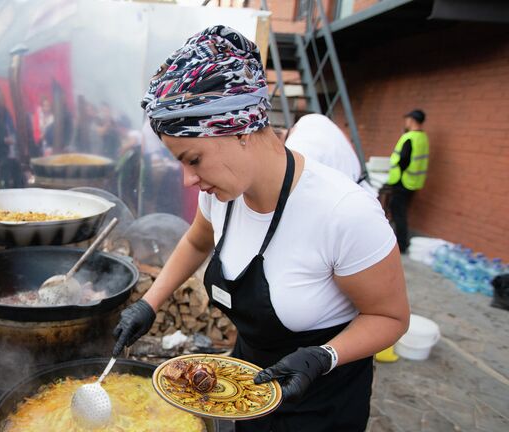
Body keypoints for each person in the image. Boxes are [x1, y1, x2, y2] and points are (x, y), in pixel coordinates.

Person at [111, 26, 409, 431]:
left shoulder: (343, 212)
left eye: (193, 159)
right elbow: (197, 240)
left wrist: (325, 355)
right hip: (248, 392)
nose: (187, 180)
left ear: (241, 129)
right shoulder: (220, 195)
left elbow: (390, 317)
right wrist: (149, 303)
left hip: (321, 406)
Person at [285, 113, 376, 197]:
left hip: (347, 200)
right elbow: (347, 139)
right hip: (362, 191)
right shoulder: (311, 119)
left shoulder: (294, 148)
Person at [387, 109, 429, 253]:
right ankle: (400, 241)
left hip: (402, 181)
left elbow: (403, 159)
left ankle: (401, 244)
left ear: (411, 120)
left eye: (407, 119)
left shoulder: (409, 137)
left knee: (398, 211)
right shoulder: (423, 138)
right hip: (414, 182)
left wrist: (399, 171)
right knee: (401, 210)